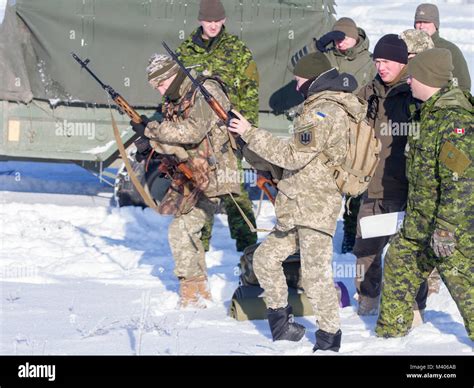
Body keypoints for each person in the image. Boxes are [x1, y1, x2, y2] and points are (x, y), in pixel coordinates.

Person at [228, 52, 367, 352]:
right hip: (296, 206)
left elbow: (292, 155)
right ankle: (281, 324)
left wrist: (249, 132)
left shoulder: (323, 113)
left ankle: (329, 338)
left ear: (312, 79)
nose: (295, 84)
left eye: (298, 79)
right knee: (265, 259)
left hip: (315, 210)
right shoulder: (317, 108)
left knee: (316, 277)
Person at [376, 48, 473, 340]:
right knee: (397, 260)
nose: (408, 82)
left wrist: (445, 229)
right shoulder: (426, 113)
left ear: (428, 78)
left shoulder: (454, 123)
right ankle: (390, 335)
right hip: (420, 221)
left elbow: (460, 183)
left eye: (413, 77)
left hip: (448, 227)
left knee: (463, 285)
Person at [130, 54, 240, 308]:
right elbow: (180, 139)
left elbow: (193, 131)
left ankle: (192, 293)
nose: (158, 90)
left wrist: (152, 129)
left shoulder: (204, 90)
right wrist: (150, 146)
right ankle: (198, 291)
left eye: (160, 83)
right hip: (193, 173)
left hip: (214, 176)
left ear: (171, 75)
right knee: (186, 229)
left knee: (181, 230)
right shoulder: (178, 96)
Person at [352, 34, 428, 318]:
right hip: (374, 185)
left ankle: (415, 305)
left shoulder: (414, 91)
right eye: (377, 61)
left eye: (387, 62)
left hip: (406, 188)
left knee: (409, 252)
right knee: (366, 248)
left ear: (401, 62)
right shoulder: (368, 91)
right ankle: (368, 298)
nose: (381, 67)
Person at [176, 0, 258, 252]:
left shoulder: (237, 50)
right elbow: (172, 92)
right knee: (199, 189)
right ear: (200, 20)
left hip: (226, 134)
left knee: (233, 189)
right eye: (208, 21)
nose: (213, 25)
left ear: (223, 20)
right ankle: (199, 248)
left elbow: (249, 90)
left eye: (217, 21)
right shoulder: (185, 52)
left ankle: (249, 248)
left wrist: (247, 129)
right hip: (195, 135)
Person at [290, 17, 377, 254]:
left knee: (352, 182)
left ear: (355, 37)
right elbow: (301, 64)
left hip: (356, 126)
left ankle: (350, 235)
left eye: (344, 38)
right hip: (328, 125)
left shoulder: (368, 62)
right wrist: (320, 45)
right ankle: (313, 233)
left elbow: (373, 92)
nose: (339, 43)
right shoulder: (327, 56)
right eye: (335, 38)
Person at [414, 3, 471, 91]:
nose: (421, 26)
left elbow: (462, 84)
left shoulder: (449, 49)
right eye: (418, 22)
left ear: (435, 24)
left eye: (426, 22)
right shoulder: (408, 48)